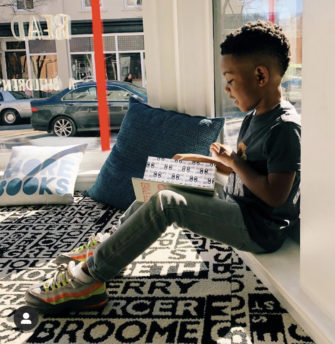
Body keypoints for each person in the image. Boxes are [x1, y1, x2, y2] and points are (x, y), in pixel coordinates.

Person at [25, 20, 301, 313]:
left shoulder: (285, 128)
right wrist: (208, 162)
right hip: (238, 206)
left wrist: (233, 161)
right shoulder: (254, 117)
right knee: (163, 183)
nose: (227, 89)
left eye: (230, 80)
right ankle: (110, 246)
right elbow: (244, 173)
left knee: (166, 204)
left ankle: (87, 281)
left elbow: (274, 196)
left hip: (258, 229)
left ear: (260, 75)